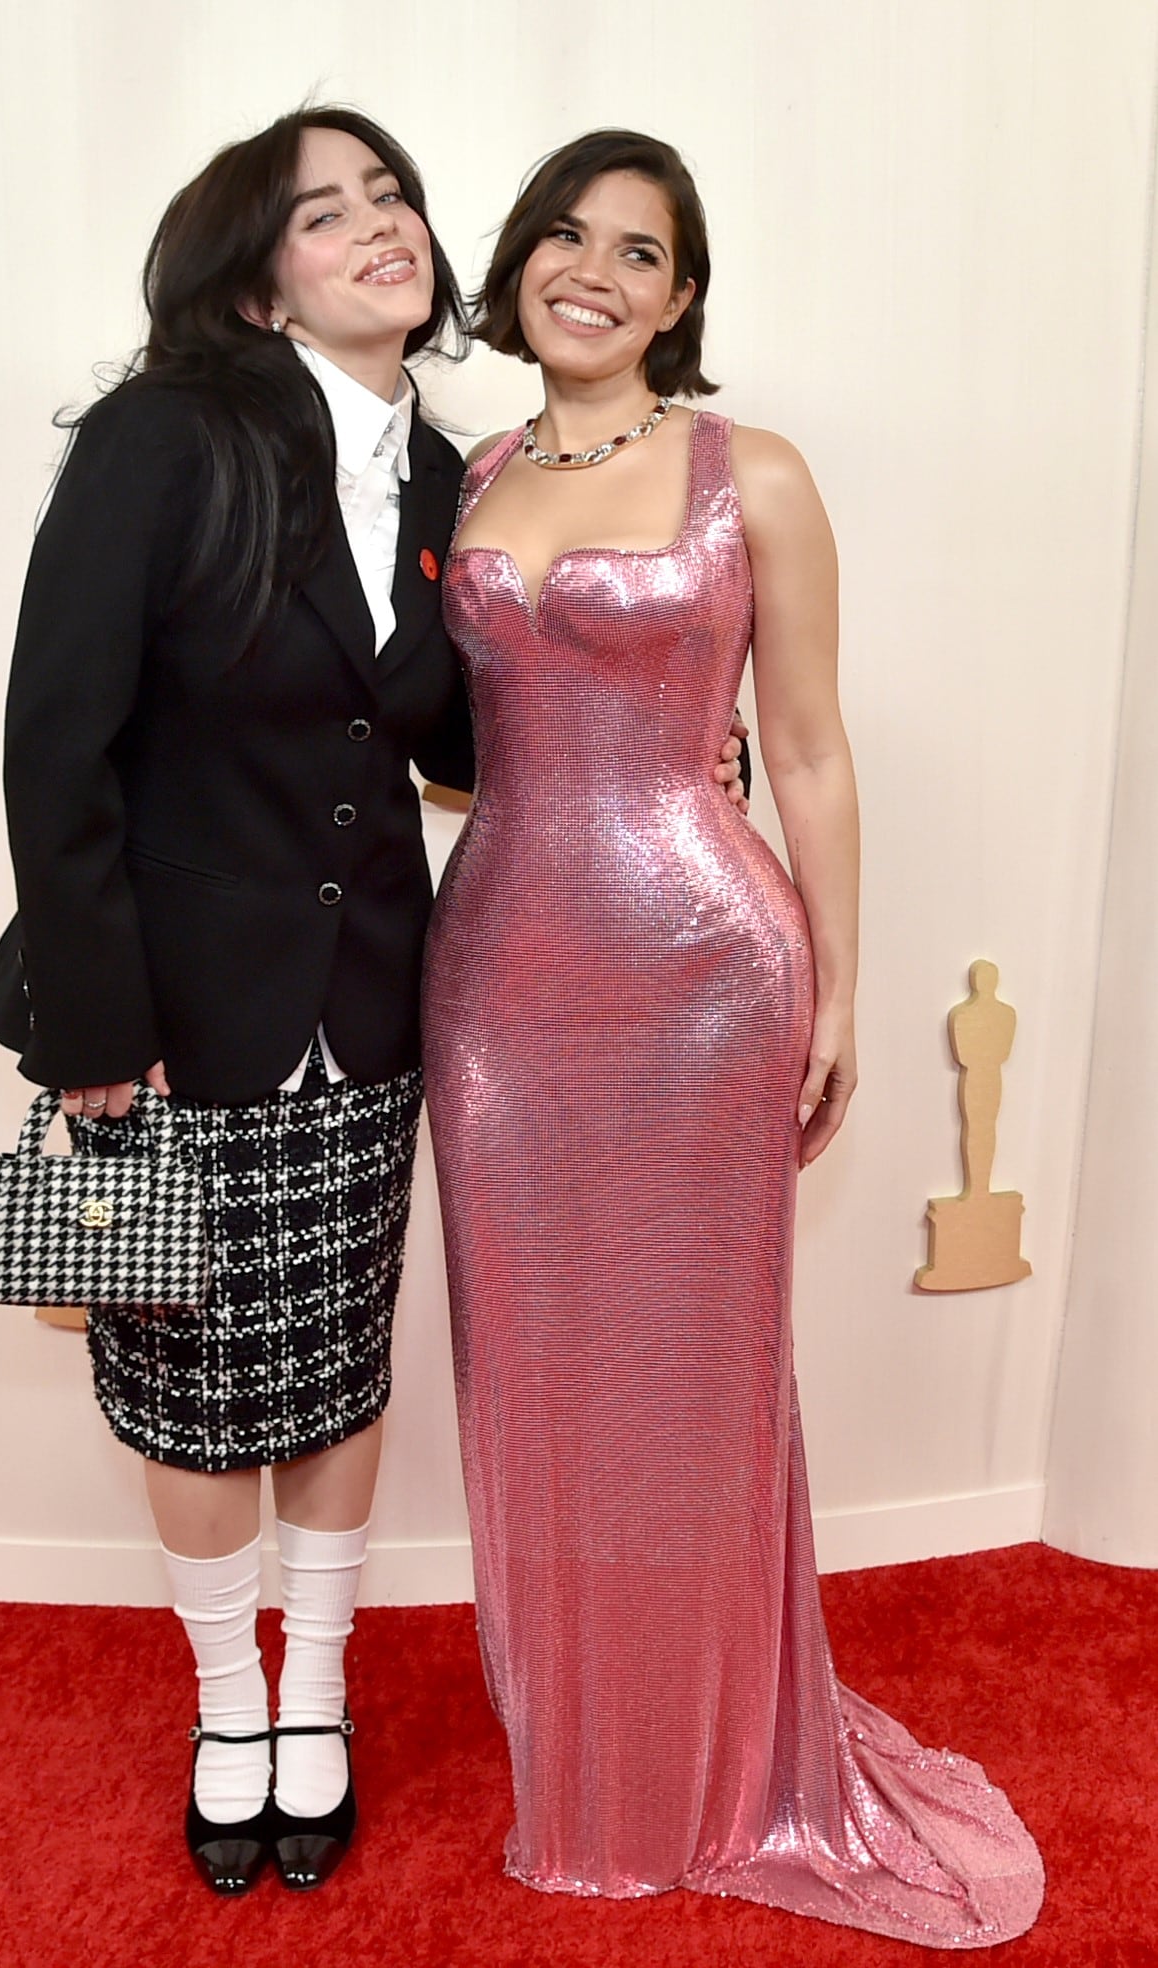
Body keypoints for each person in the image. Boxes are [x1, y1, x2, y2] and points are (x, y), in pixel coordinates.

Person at [0, 101, 756, 1898]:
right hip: (166, 1020)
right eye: (324, 214)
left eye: (391, 195)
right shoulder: (161, 439)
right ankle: (223, 1707)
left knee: (332, 1367)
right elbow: (56, 737)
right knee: (181, 1378)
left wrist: (658, 743)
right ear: (257, 287)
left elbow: (443, 731)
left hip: (381, 1001)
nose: (380, 226)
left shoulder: (449, 475)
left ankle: (315, 1690)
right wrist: (97, 1025)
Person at [421, 130, 1045, 1945]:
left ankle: (716, 1764)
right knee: (533, 1383)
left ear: (684, 296)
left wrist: (845, 983)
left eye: (643, 250)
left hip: (704, 974)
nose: (594, 270)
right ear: (523, 260)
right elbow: (455, 731)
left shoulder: (748, 471)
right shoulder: (467, 477)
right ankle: (588, 1761)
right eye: (567, 234)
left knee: (692, 1392)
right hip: (498, 995)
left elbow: (818, 748)